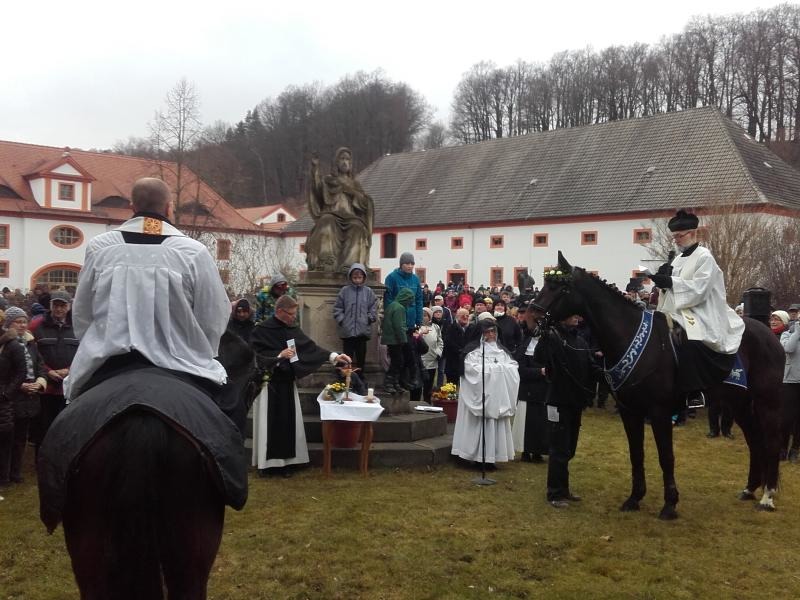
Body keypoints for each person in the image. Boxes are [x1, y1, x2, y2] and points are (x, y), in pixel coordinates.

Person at [63, 177, 231, 401]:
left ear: (132, 207)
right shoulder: (193, 252)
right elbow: (213, 316)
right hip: (181, 360)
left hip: (108, 358)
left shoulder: (100, 247)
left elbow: (82, 312)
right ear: (169, 208)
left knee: (71, 413)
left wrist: (95, 342)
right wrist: (201, 349)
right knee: (225, 408)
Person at [651, 209, 744, 409]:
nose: (675, 240)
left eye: (679, 236)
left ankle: (694, 391)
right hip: (678, 309)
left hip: (702, 310)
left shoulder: (705, 257)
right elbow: (672, 288)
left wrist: (671, 281)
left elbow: (700, 289)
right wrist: (663, 281)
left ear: (693, 233)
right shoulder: (677, 259)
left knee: (688, 338)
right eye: (674, 236)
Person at [250, 295, 350, 474]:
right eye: (290, 314)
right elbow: (255, 356)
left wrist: (334, 356)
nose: (293, 318)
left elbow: (310, 348)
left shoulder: (292, 329)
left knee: (288, 423)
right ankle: (269, 465)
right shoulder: (262, 330)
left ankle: (288, 462)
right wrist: (278, 356)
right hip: (269, 385)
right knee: (271, 425)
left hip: (287, 383)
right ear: (279, 311)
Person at [535, 314, 599, 508]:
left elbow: (590, 366)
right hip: (558, 401)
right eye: (572, 315)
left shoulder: (578, 339)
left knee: (569, 448)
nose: (577, 318)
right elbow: (540, 357)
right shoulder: (553, 337)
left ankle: (564, 489)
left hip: (575, 402)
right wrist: (545, 336)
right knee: (558, 449)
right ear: (562, 318)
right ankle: (554, 493)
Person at [451, 319, 518, 467]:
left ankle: (491, 457)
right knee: (476, 424)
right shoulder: (472, 351)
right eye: (487, 332)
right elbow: (470, 371)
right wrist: (495, 370)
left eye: (493, 331)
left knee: (495, 423)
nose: (491, 334)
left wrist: (499, 370)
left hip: (497, 395)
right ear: (480, 334)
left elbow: (513, 367)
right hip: (479, 394)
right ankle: (471, 455)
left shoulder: (502, 351)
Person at [306, 147, 374, 272]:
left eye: (347, 159)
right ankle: (326, 261)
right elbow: (317, 190)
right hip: (332, 213)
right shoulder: (329, 180)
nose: (345, 162)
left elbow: (364, 204)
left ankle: (350, 266)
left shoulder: (355, 184)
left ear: (351, 163)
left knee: (358, 228)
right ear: (336, 162)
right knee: (327, 221)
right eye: (342, 158)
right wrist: (315, 169)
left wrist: (354, 194)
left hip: (350, 217)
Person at [32, 290, 78, 450]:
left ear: (69, 306)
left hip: (69, 388)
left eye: (63, 305)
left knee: (67, 426)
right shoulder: (37, 325)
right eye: (56, 305)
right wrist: (47, 371)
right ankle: (42, 458)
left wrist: (70, 370)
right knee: (44, 427)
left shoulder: (78, 326)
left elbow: (84, 352)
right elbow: (32, 353)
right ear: (50, 305)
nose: (59, 309)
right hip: (46, 388)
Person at [5, 307, 47, 484]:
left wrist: (39, 382)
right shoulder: (5, 344)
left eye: (24, 321)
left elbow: (40, 366)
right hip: (11, 396)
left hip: (30, 396)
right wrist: (20, 386)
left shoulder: (31, 343)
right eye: (18, 322)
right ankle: (4, 474)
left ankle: (15, 472)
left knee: (21, 438)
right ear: (9, 324)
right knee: (7, 437)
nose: (22, 325)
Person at [513, 310, 549, 463]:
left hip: (544, 390)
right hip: (527, 389)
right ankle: (526, 451)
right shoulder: (524, 346)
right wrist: (539, 372)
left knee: (541, 422)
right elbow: (520, 369)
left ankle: (539, 451)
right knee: (525, 423)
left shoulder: (548, 346)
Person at [0, 311, 26, 492]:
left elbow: (20, 373)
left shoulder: (12, 345)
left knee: (4, 439)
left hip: (3, 399)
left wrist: (6, 394)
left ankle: (3, 477)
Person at [333, 263, 377, 370]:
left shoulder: (368, 292)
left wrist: (369, 318)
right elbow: (337, 308)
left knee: (361, 357)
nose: (357, 280)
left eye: (359, 278)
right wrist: (342, 320)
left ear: (363, 278)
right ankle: (347, 379)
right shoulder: (345, 291)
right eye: (355, 277)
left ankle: (360, 377)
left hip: (362, 332)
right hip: (347, 332)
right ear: (351, 277)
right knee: (347, 358)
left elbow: (374, 307)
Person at [380, 288, 416, 394]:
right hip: (395, 339)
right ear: (406, 298)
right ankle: (389, 383)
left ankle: (395, 383)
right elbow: (399, 325)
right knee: (397, 362)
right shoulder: (400, 308)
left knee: (397, 361)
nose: (411, 302)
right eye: (410, 299)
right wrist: (403, 339)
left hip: (390, 338)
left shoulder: (392, 305)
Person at [780, 316, 800, 462]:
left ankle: (795, 450)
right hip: (790, 381)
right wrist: (797, 331)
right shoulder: (787, 334)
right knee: (786, 418)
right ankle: (782, 448)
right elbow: (789, 348)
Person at [419, 307, 443, 403]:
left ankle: (427, 401)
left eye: (425, 315)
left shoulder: (435, 327)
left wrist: (438, 352)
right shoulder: (417, 327)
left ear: (430, 317)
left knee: (429, 384)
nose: (423, 317)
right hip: (420, 360)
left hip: (432, 360)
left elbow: (440, 342)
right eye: (422, 315)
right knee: (419, 383)